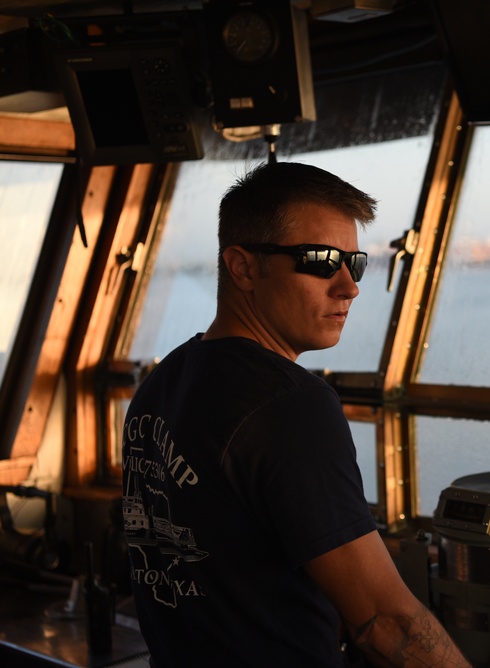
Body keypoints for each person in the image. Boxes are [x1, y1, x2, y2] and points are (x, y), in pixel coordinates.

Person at [121, 162, 470, 667]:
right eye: (321, 260)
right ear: (242, 267)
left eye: (355, 262)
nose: (348, 286)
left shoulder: (160, 386)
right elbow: (386, 625)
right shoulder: (289, 404)